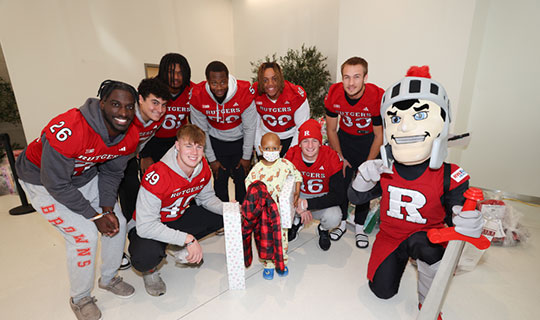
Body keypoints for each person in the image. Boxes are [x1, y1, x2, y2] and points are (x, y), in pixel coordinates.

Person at [347, 66, 483, 316]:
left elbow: (458, 217)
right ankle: (399, 262)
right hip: (390, 237)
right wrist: (362, 180)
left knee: (430, 248)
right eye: (397, 119)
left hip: (426, 237)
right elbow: (355, 199)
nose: (406, 128)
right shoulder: (385, 169)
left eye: (419, 116)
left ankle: (427, 299)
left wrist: (469, 220)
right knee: (382, 291)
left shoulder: (448, 174)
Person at [16, 80, 140, 320]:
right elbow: (56, 183)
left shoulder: (131, 134)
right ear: (102, 103)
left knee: (118, 222)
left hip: (84, 175)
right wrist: (93, 216)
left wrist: (106, 209)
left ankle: (109, 277)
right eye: (116, 104)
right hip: (41, 180)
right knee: (84, 236)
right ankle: (80, 297)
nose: (123, 113)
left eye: (129, 107)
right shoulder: (71, 129)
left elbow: (113, 172)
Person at [128, 124, 224, 297]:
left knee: (223, 216)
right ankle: (150, 271)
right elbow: (146, 226)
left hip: (175, 217)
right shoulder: (158, 175)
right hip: (146, 226)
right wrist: (187, 239)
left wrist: (230, 208)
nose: (194, 152)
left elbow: (207, 199)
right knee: (145, 256)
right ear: (177, 146)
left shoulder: (201, 166)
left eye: (199, 147)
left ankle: (171, 242)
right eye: (188, 146)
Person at [324, 56, 384, 249]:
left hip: (369, 142)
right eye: (346, 77)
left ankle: (360, 227)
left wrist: (367, 165)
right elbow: (331, 130)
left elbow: (379, 135)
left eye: (356, 77)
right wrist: (339, 157)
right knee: (341, 182)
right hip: (345, 141)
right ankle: (341, 223)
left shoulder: (376, 96)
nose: (351, 83)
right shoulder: (334, 93)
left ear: (365, 77)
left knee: (363, 186)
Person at [117, 77, 170, 269]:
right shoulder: (126, 117)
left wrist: (140, 156)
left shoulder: (157, 119)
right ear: (140, 99)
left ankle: (138, 242)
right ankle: (116, 253)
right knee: (109, 210)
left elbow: (143, 142)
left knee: (131, 205)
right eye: (154, 102)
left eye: (163, 104)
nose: (159, 109)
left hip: (129, 161)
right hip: (107, 163)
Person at [190, 60, 257, 202]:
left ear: (228, 79)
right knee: (220, 183)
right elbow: (201, 131)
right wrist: (212, 159)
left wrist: (246, 157)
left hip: (240, 141)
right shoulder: (198, 95)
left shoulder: (243, 91)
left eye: (223, 82)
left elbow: (249, 127)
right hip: (216, 142)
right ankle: (223, 218)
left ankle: (244, 216)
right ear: (207, 81)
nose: (219, 87)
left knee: (242, 182)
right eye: (214, 83)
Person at [245, 132, 302, 280]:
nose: (271, 152)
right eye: (267, 148)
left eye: (274, 148)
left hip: (281, 212)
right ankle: (268, 265)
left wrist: (296, 191)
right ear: (260, 148)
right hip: (264, 214)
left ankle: (281, 262)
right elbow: (249, 187)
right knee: (265, 240)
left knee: (282, 239)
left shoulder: (285, 164)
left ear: (280, 148)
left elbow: (297, 175)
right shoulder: (256, 169)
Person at [284, 119, 343, 251]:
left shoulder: (331, 157)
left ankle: (323, 229)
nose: (310, 145)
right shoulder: (292, 155)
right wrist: (297, 204)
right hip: (297, 196)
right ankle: (295, 222)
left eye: (314, 140)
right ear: (299, 144)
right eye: (305, 141)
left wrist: (308, 204)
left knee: (334, 216)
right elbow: (282, 187)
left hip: (321, 197)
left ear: (320, 143)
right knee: (279, 207)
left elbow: (339, 196)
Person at [139, 53, 193, 172]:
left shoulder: (192, 91)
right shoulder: (152, 89)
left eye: (180, 73)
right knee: (153, 183)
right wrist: (145, 154)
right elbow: (140, 123)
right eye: (171, 72)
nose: (176, 77)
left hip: (177, 142)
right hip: (152, 142)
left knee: (177, 182)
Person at [253, 62, 310, 157]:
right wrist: (260, 152)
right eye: (265, 80)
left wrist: (290, 154)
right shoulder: (255, 93)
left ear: (280, 79)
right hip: (267, 137)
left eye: (274, 79)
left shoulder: (295, 95)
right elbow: (255, 126)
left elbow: (301, 127)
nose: (270, 84)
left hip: (291, 137)